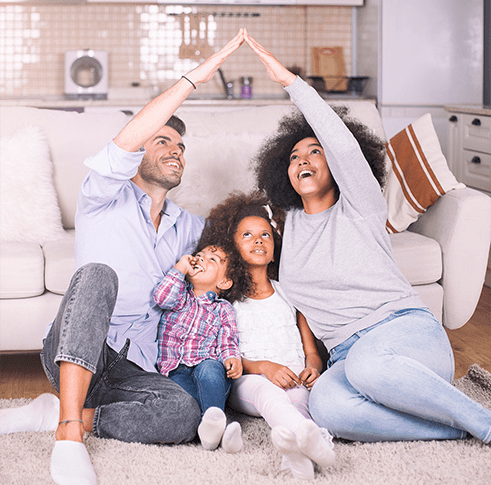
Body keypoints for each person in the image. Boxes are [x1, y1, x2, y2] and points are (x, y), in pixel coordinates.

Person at [0, 30, 247, 485]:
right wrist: (195, 78)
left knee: (183, 414)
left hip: (136, 368)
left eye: (180, 147)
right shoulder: (101, 197)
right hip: (79, 350)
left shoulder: (190, 229)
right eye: (162, 142)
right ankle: (70, 432)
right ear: (137, 154)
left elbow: (243, 248)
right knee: (98, 274)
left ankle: (61, 414)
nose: (174, 150)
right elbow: (124, 142)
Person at [244, 30, 491, 445]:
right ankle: (452, 428)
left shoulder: (361, 204)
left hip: (404, 336)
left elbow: (341, 143)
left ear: (336, 165)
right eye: (293, 157)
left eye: (314, 152)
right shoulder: (289, 223)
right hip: (346, 354)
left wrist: (292, 84)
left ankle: (483, 422)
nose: (302, 159)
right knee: (327, 408)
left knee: (368, 369)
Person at [198, 191, 335, 480]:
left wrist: (313, 367)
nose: (258, 240)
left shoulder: (290, 293)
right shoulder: (227, 302)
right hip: (249, 382)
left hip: (295, 377)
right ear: (232, 247)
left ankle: (295, 456)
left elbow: (311, 350)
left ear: (275, 248)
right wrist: (264, 368)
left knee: (301, 403)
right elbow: (227, 356)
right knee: (267, 393)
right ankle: (315, 442)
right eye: (247, 234)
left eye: (265, 235)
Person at [153, 244, 243, 453]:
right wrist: (181, 267)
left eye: (212, 260)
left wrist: (232, 357)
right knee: (186, 400)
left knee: (211, 371)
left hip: (206, 362)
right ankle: (214, 433)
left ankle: (215, 421)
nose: (201, 259)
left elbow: (228, 337)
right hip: (175, 368)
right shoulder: (180, 295)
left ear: (224, 282)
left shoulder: (222, 308)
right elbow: (161, 298)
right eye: (199, 255)